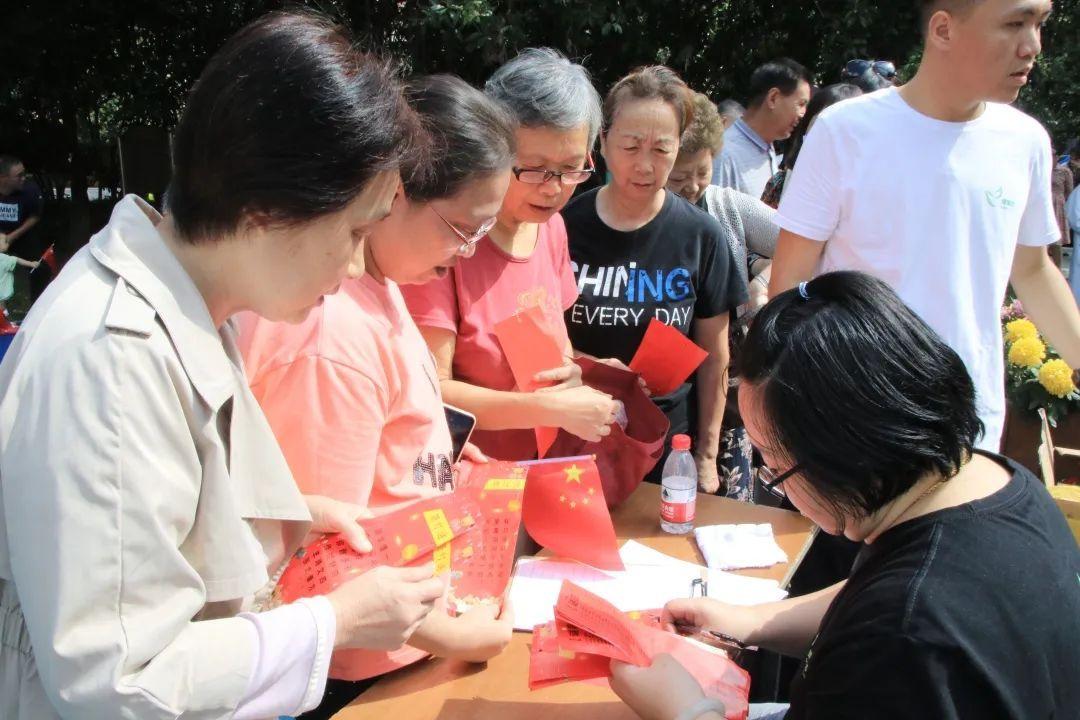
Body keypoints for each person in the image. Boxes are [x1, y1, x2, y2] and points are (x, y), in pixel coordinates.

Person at [0, 12, 448, 720]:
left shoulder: (189, 305)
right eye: (355, 230)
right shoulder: (112, 360)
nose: (359, 263)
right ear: (269, 207)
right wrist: (334, 623)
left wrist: (291, 515)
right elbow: (117, 683)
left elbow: (153, 518)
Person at [610, 271, 1080, 720]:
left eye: (774, 467)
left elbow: (894, 611)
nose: (780, 487)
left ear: (844, 453)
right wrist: (747, 619)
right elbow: (872, 590)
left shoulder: (904, 640)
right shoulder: (995, 481)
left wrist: (689, 711)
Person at [237, 74, 517, 719]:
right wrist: (458, 636)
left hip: (401, 637)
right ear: (393, 193)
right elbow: (324, 553)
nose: (466, 253)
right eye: (459, 228)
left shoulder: (380, 285)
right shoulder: (330, 328)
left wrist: (435, 452)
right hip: (352, 671)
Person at [769, 0, 1080, 452]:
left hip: (972, 422)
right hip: (859, 418)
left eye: (1039, 24)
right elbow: (789, 285)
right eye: (1014, 23)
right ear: (943, 29)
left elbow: (1032, 270)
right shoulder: (846, 131)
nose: (1032, 45)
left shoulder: (1025, 140)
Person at [403, 48, 619, 463]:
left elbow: (557, 347)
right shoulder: (448, 243)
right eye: (534, 168)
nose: (554, 188)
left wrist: (576, 371)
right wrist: (549, 409)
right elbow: (431, 390)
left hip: (549, 466)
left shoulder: (551, 227)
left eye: (572, 168)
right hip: (474, 477)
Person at [563, 65, 747, 491]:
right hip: (578, 440)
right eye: (630, 146)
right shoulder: (562, 227)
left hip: (666, 447)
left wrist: (705, 454)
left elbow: (716, 356)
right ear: (603, 143)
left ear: (679, 146)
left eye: (661, 150)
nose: (644, 165)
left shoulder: (701, 236)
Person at [666, 91, 779, 499]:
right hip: (667, 385)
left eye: (702, 172)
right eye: (678, 178)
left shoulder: (727, 206)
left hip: (727, 382)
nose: (692, 187)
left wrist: (761, 281)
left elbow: (803, 243)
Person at [713, 59, 811, 199]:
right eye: (801, 104)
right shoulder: (724, 156)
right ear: (773, 98)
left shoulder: (766, 147)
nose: (803, 114)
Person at [760, 83, 862, 209]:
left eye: (840, 129)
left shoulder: (864, 199)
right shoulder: (779, 185)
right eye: (821, 123)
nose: (827, 136)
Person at [0, 155, 43, 260]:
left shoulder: (30, 190)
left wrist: (11, 237)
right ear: (3, 177)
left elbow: (35, 216)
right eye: (19, 175)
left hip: (24, 241)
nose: (24, 178)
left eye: (24, 173)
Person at [0, 234, 39, 318]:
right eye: (6, 242)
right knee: (1, 307)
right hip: (1, 291)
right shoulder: (4, 258)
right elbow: (17, 260)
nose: (8, 243)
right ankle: (3, 321)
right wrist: (32, 264)